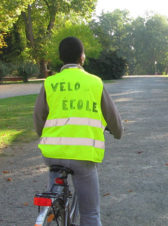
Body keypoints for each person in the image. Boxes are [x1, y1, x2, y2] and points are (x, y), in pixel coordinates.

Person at [33, 36, 123, 226]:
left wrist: (45, 133)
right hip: (83, 155)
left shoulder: (50, 83)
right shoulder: (95, 82)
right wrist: (117, 131)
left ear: (60, 58)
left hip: (54, 153)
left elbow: (39, 119)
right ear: (82, 57)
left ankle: (53, 210)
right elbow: (113, 118)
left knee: (54, 198)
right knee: (90, 213)